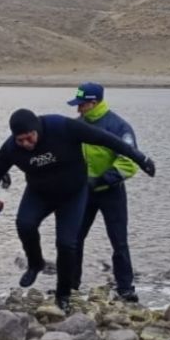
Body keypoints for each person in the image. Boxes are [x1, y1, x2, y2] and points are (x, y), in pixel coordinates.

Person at [0, 109, 156, 313]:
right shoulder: (11, 148)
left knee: (67, 243)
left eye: (29, 138)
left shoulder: (61, 127)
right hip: (39, 193)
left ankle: (63, 294)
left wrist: (141, 159)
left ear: (37, 129)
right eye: (21, 140)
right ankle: (35, 263)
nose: (26, 144)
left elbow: (107, 139)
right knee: (24, 224)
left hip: (73, 194)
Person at [68, 83, 141, 302]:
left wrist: (101, 180)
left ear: (94, 102)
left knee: (119, 240)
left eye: (82, 105)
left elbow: (129, 162)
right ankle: (71, 284)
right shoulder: (75, 126)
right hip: (83, 193)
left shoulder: (119, 127)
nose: (78, 109)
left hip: (111, 192)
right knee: (74, 238)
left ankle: (125, 287)